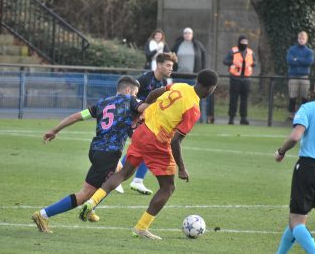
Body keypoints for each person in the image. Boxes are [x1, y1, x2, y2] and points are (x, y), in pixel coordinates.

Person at [79, 69, 218, 240]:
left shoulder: (180, 86)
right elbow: (175, 141)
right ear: (211, 88)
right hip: (157, 141)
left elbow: (153, 93)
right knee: (168, 187)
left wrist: (142, 111)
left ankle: (92, 202)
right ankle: (141, 227)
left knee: (124, 173)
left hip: (142, 131)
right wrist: (182, 168)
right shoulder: (194, 109)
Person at [32, 76, 148, 232]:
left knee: (118, 170)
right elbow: (144, 109)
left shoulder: (102, 103)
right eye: (135, 93)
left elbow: (75, 117)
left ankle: (92, 208)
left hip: (95, 150)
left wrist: (54, 130)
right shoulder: (131, 100)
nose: (136, 97)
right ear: (128, 90)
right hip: (109, 153)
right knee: (85, 194)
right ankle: (43, 214)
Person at [262, 73, 315, 254]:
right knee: (297, 220)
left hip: (308, 168)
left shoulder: (308, 108)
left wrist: (281, 151)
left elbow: (295, 136)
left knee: (296, 221)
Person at [117, 52, 178, 195]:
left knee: (147, 147)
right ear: (159, 65)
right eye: (168, 65)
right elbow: (130, 96)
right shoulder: (145, 79)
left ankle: (137, 180)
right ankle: (117, 179)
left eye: (172, 66)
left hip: (145, 122)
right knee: (137, 148)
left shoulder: (162, 84)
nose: (171, 69)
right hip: (132, 119)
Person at [172, 27, 211, 123]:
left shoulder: (198, 45)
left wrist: (202, 73)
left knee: (194, 98)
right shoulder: (177, 45)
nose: (187, 35)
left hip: (193, 77)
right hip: (179, 77)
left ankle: (197, 119)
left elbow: (203, 59)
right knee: (178, 98)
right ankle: (177, 118)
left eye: (189, 33)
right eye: (185, 33)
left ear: (192, 35)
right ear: (183, 34)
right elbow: (171, 58)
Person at [223, 35, 256, 125]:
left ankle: (243, 118)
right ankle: (231, 118)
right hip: (235, 78)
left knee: (244, 99)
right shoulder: (233, 51)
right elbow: (225, 61)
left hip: (246, 79)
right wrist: (233, 62)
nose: (244, 44)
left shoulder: (250, 52)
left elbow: (254, 62)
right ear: (239, 42)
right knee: (233, 98)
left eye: (245, 43)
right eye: (242, 42)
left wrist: (250, 65)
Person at [286, 31, 314, 119]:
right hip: (293, 76)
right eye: (300, 38)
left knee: (305, 96)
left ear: (306, 40)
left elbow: (308, 62)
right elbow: (289, 61)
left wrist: (296, 59)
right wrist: (301, 60)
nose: (301, 40)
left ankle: (303, 114)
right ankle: (291, 114)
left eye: (303, 39)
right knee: (292, 96)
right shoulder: (292, 50)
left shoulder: (309, 51)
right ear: (298, 39)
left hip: (304, 77)